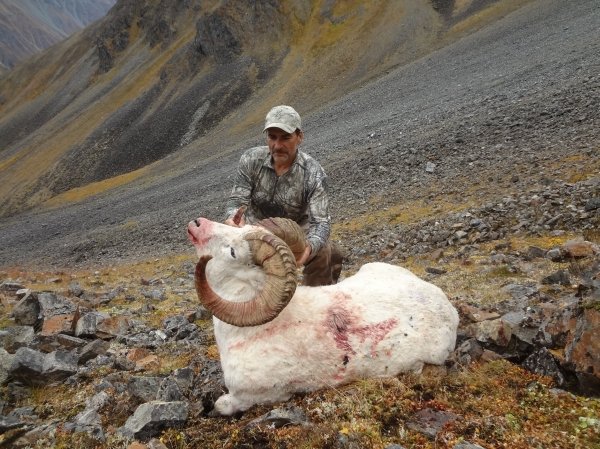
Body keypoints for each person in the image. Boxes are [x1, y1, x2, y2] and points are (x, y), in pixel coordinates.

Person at [225, 105, 343, 286]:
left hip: (294, 236)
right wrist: (234, 219)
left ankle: (313, 305)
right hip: (254, 232)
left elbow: (321, 223)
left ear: (299, 137)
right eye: (272, 137)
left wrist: (309, 249)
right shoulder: (250, 160)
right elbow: (236, 201)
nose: (277, 145)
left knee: (328, 252)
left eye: (286, 138)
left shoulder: (313, 172)